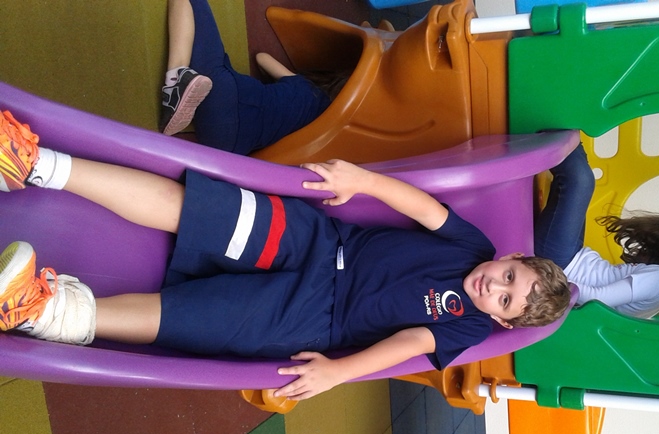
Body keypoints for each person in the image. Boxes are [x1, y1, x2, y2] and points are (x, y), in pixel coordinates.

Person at [0, 110, 570, 400]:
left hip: (314, 318)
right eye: (509, 275)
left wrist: (339, 372)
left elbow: (408, 344)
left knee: (187, 318)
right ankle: (37, 165)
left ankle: (48, 313)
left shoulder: (467, 326)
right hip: (320, 241)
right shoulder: (474, 247)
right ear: (513, 256)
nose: (495, 286)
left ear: (501, 321)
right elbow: (424, 208)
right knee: (196, 209)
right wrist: (364, 181)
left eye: (506, 301)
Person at [534, 144, 659, 319]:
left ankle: (551, 133)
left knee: (580, 181)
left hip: (560, 266)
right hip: (568, 260)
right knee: (577, 179)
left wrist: (547, 279)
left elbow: (596, 299)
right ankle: (565, 138)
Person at [160, 0, 342, 153]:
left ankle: (176, 80)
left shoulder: (307, 87)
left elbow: (262, 58)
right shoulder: (324, 129)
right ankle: (187, 94)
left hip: (228, 96)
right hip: (228, 146)